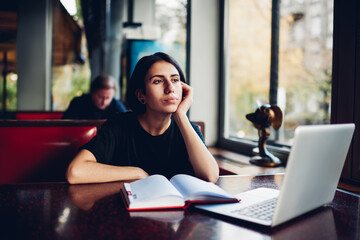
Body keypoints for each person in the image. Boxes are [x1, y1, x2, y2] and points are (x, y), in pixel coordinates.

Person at [66, 52, 219, 184]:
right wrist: (137, 173)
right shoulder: (119, 125)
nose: (170, 88)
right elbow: (75, 172)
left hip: (179, 215)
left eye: (175, 79)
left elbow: (210, 176)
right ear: (141, 95)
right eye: (158, 81)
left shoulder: (187, 128)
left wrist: (180, 115)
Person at [62, 75, 127, 119]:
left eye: (108, 98)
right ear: (92, 92)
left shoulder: (117, 107)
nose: (104, 102)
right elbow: (65, 127)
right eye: (100, 97)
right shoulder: (78, 103)